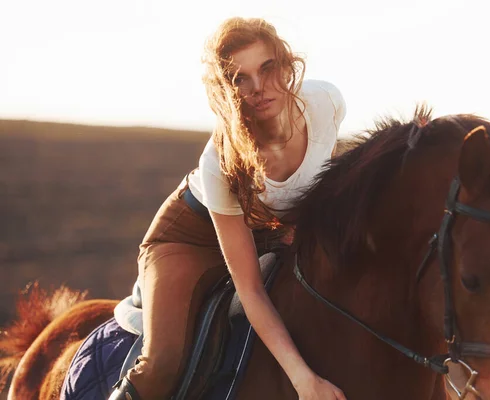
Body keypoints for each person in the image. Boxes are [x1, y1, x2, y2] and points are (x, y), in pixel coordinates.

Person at [109, 17, 347, 400]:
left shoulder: (327, 103)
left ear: (286, 66)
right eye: (240, 79)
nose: (258, 88)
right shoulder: (222, 160)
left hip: (268, 232)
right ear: (227, 89)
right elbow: (250, 289)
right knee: (162, 365)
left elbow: (320, 182)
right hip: (189, 238)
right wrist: (304, 379)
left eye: (267, 69)